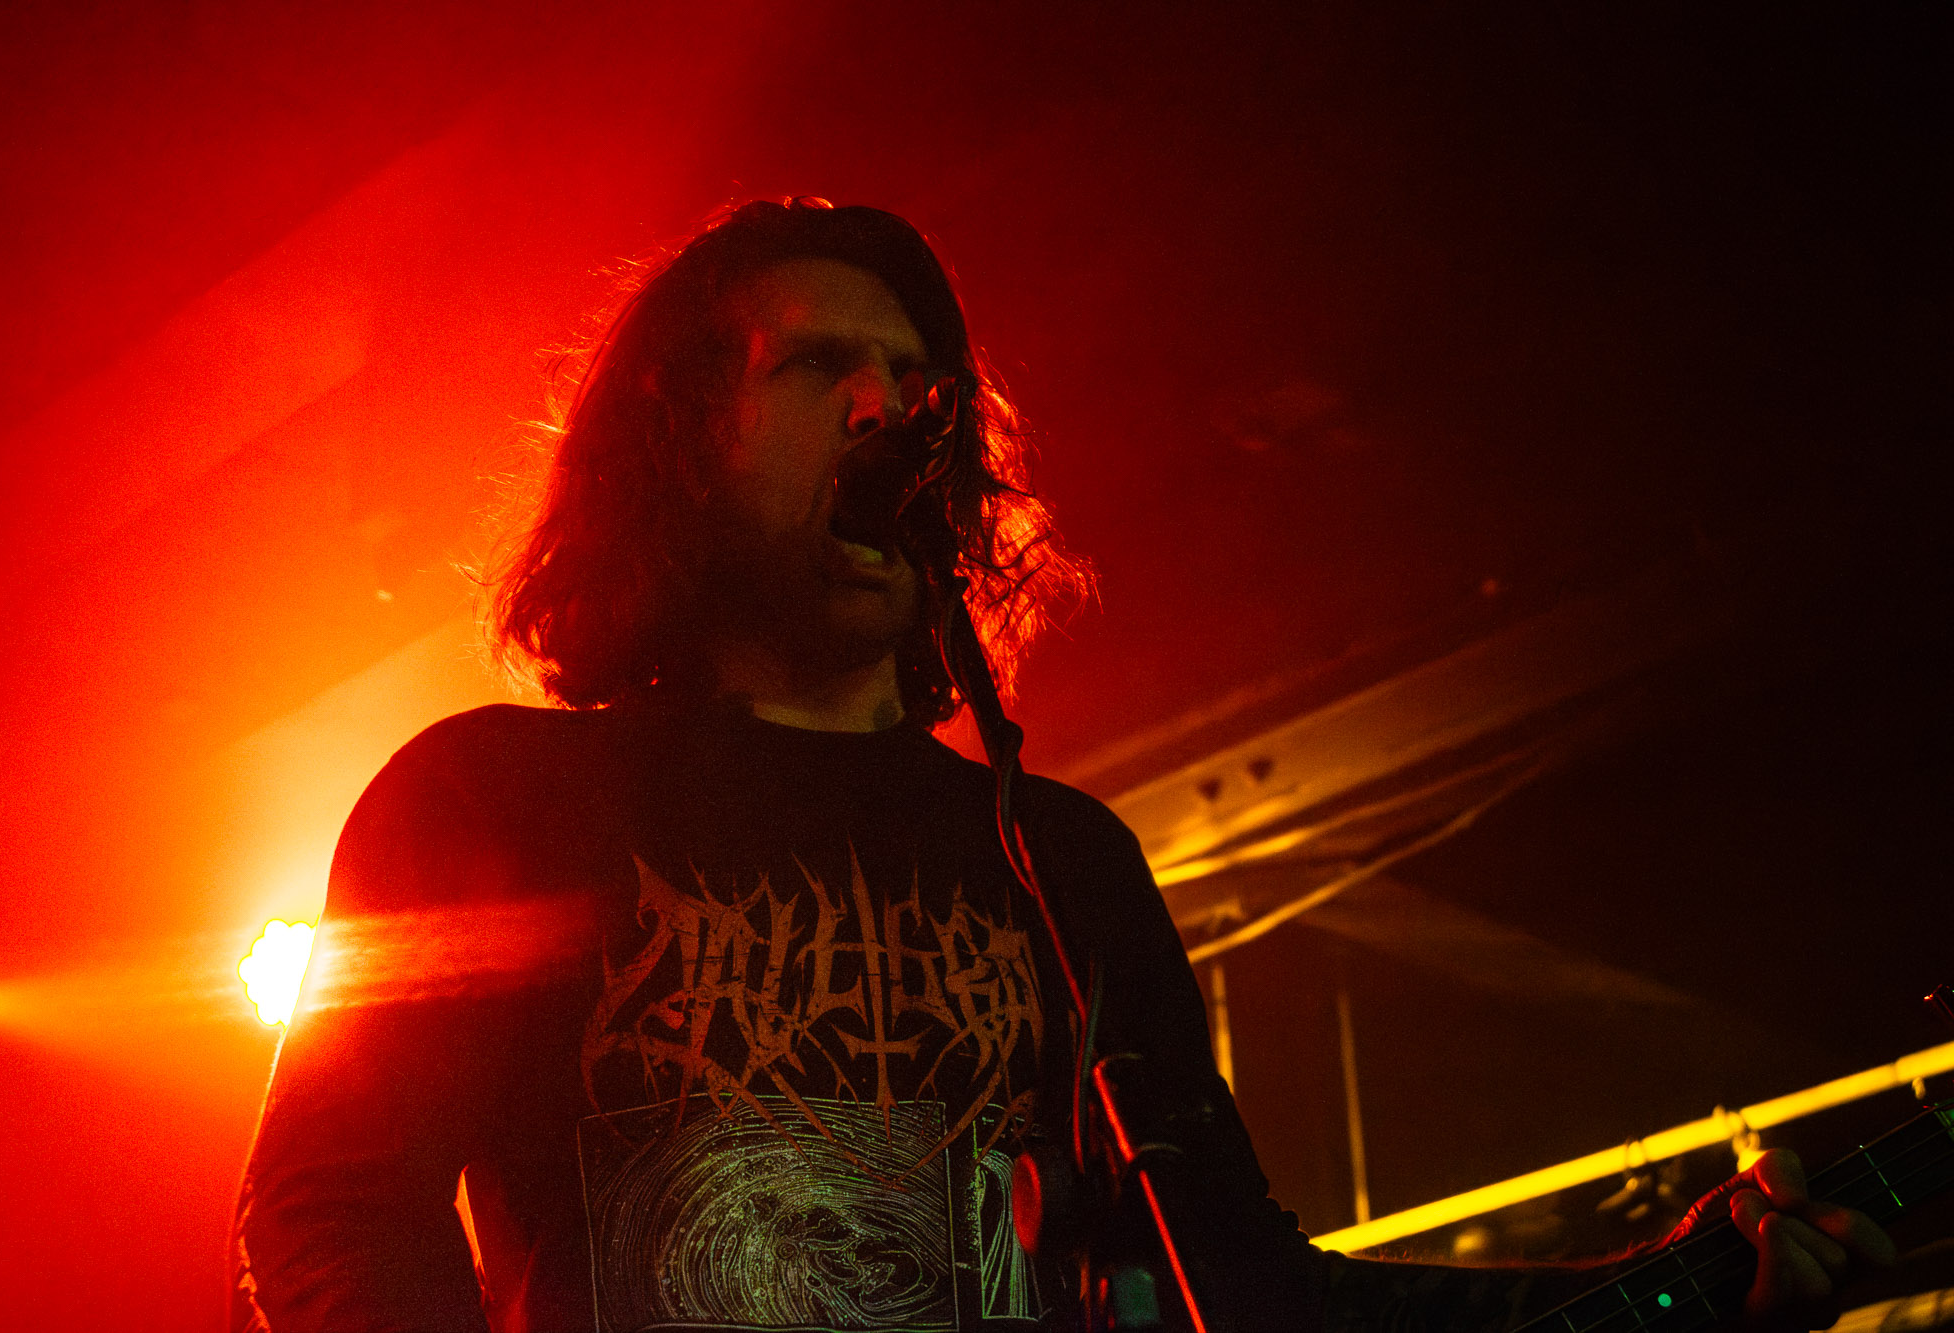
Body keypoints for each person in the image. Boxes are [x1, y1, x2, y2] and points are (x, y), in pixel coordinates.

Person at [231, 198, 1893, 1333]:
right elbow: (331, 1202)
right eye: (816, 367)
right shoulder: (497, 801)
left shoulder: (1061, 860)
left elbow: (1250, 1285)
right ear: (679, 448)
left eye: (917, 383)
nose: (887, 408)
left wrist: (1670, 1286)